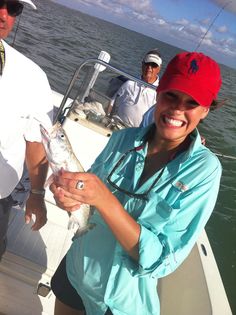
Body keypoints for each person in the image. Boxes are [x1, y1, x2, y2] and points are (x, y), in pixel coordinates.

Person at [50, 51, 223, 315]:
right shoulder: (123, 138)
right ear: (158, 92)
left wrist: (104, 200)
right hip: (76, 272)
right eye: (171, 95)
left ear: (206, 110)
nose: (177, 109)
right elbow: (87, 201)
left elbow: (161, 260)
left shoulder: (205, 170)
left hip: (121, 303)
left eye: (192, 102)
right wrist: (71, 198)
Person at [0, 0, 53, 259]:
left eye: (13, 8)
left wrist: (37, 193)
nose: (3, 15)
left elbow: (35, 142)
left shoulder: (34, 78)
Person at [106, 49, 162, 127]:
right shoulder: (129, 83)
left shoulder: (160, 92)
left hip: (140, 135)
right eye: (147, 63)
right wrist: (107, 119)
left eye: (153, 65)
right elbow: (112, 103)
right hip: (117, 125)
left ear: (159, 68)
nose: (149, 67)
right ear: (142, 64)